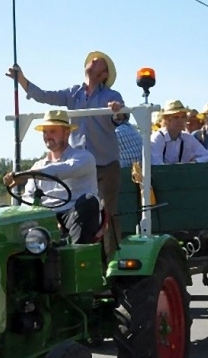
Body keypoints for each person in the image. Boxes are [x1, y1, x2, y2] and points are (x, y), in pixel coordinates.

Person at [8, 51, 125, 248]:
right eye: (91, 60)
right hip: (76, 165)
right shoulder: (73, 93)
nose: (91, 61)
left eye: (97, 62)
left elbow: (120, 118)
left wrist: (117, 111)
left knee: (107, 213)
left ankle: (110, 258)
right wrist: (22, 80)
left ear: (104, 74)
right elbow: (45, 96)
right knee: (70, 207)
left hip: (104, 164)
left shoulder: (111, 96)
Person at [3, 110, 101, 244]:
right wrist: (47, 219)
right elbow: (28, 197)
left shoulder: (84, 158)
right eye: (45, 132)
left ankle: (75, 251)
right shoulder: (38, 165)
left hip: (71, 213)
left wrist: (26, 175)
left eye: (53, 131)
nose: (47, 136)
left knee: (89, 201)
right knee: (2, 211)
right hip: (44, 215)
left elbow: (63, 170)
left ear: (67, 132)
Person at [150, 101, 208, 165]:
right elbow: (156, 164)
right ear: (167, 120)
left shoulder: (187, 138)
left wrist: (195, 162)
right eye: (176, 117)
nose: (180, 121)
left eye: (183, 117)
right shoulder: (158, 138)